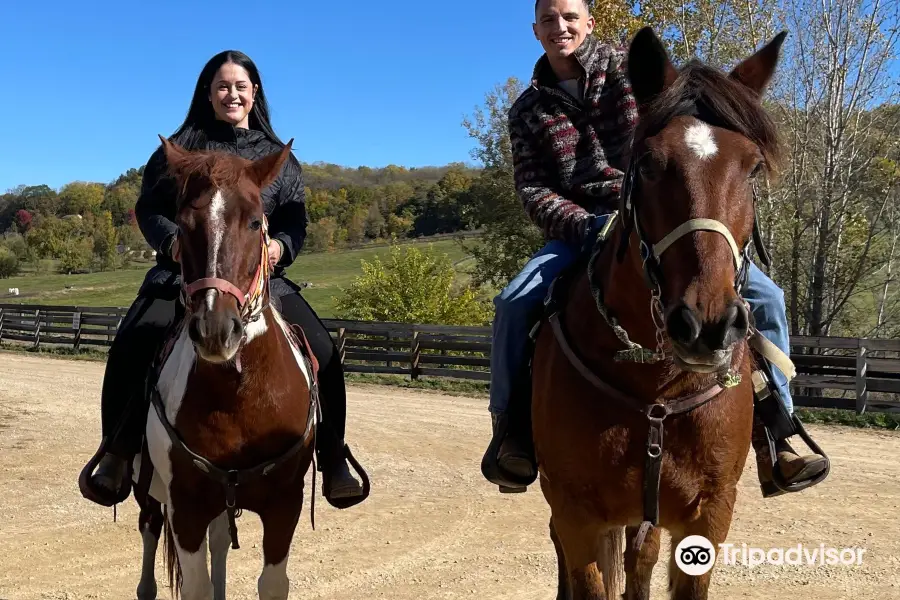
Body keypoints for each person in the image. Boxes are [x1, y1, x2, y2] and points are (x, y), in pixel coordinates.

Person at [481, 0, 829, 497]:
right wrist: (583, 226)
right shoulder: (528, 110)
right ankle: (511, 428)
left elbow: (685, 141)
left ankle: (778, 432)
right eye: (549, 19)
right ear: (535, 30)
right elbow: (533, 189)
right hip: (577, 229)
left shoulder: (634, 75)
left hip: (658, 217)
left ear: (588, 23)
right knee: (513, 303)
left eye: (569, 17)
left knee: (768, 299)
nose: (560, 27)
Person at [80, 50, 367, 510]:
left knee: (324, 349)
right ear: (207, 93)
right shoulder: (178, 150)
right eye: (222, 85)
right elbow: (149, 209)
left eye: (240, 85)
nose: (231, 93)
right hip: (181, 272)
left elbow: (295, 220)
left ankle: (333, 455)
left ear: (254, 93)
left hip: (258, 279)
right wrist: (172, 241)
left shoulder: (278, 160)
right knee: (132, 342)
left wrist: (280, 249)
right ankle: (116, 451)